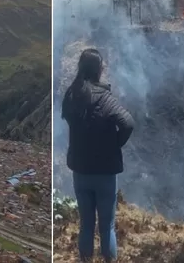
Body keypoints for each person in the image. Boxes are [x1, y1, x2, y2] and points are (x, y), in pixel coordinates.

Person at [62, 48, 135, 263]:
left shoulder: (72, 94)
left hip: (80, 171)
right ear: (98, 70)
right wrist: (114, 144)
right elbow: (128, 123)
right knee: (107, 226)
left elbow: (68, 118)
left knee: (85, 224)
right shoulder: (105, 98)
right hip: (104, 172)